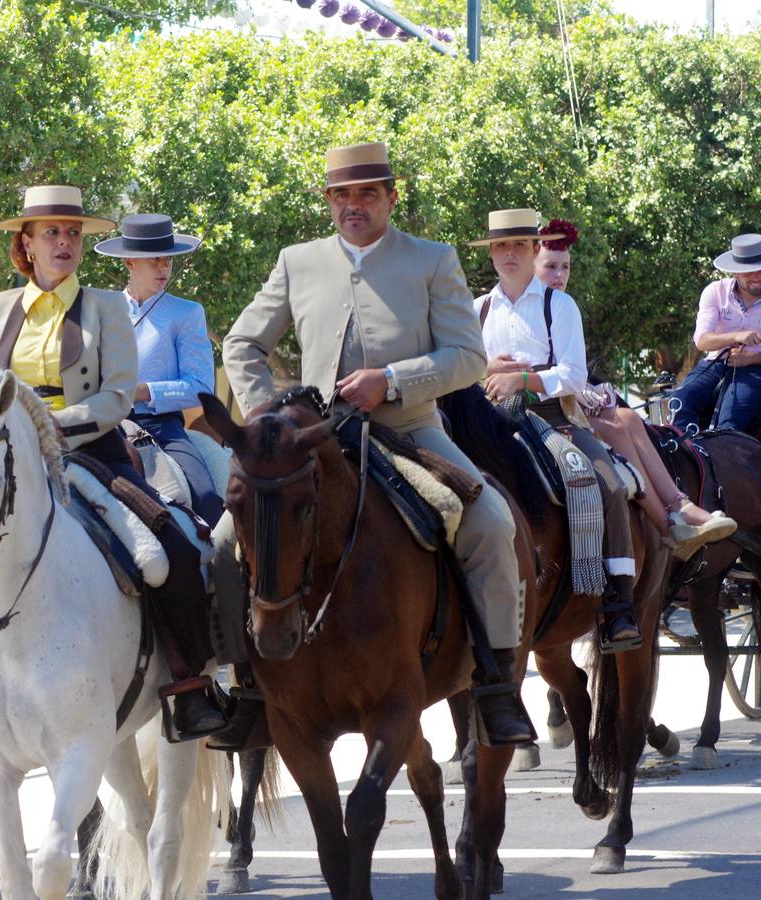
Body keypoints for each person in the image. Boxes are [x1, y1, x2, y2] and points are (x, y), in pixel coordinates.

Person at [221, 143, 532, 743]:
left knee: (491, 523)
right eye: (341, 195)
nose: (353, 205)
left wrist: (390, 380)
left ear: (392, 197)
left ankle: (496, 685)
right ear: (329, 202)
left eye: (366, 194)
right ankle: (247, 688)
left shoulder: (432, 260)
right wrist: (269, 417)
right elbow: (241, 345)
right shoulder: (297, 261)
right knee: (222, 542)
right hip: (314, 441)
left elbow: (467, 357)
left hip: (412, 430)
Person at [0, 184, 225, 737]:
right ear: (26, 245)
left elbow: (115, 395)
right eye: (52, 233)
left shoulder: (104, 307)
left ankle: (190, 684)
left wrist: (53, 425)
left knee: (170, 549)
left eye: (74, 233)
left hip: (88, 446)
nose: (64, 242)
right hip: (5, 454)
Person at [471, 208, 642, 652]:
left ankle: (617, 603)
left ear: (533, 251)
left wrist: (523, 381)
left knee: (606, 481)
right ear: (491, 254)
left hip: (552, 416)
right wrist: (487, 369)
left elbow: (573, 374)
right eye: (501, 246)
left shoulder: (559, 305)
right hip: (487, 418)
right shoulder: (478, 309)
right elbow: (460, 366)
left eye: (519, 246)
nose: (509, 254)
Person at [534, 219, 736, 560]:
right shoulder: (524, 307)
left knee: (628, 416)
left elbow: (567, 369)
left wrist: (589, 390)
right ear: (532, 264)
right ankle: (668, 520)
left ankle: (678, 506)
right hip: (540, 410)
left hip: (565, 401)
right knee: (618, 423)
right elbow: (531, 369)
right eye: (551, 266)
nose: (560, 275)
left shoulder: (560, 306)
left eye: (565, 267)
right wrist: (576, 390)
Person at [94, 213, 223, 526]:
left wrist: (142, 391)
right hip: (100, 422)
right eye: (154, 260)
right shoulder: (97, 308)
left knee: (206, 498)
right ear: (129, 262)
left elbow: (201, 387)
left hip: (162, 426)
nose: (164, 267)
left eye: (167, 260)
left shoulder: (187, 313)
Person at [669, 234, 761, 434]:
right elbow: (702, 341)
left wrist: (752, 358)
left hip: (758, 369)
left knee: (730, 420)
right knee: (679, 400)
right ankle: (689, 453)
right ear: (735, 273)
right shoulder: (714, 292)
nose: (758, 276)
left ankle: (723, 460)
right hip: (715, 362)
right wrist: (736, 336)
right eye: (749, 272)